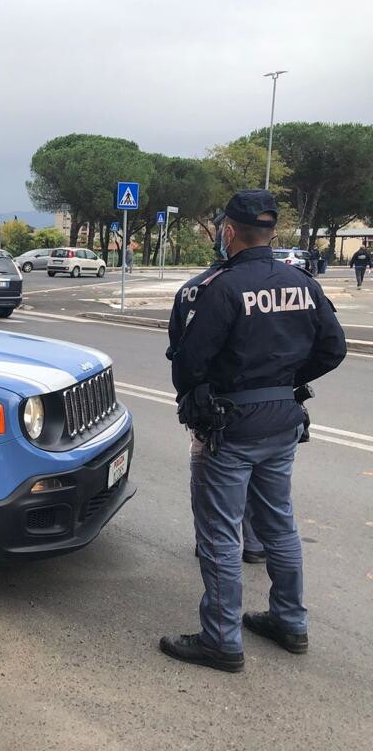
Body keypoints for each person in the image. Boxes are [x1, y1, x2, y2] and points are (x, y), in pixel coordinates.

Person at [162, 190, 347, 673]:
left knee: (221, 535)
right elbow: (333, 349)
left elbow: (189, 365)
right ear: (273, 231)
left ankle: (221, 640)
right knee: (279, 524)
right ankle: (290, 622)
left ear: (228, 230)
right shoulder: (301, 281)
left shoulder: (221, 287)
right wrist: (283, 380)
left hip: (230, 429)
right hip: (282, 420)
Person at [169, 241, 267, 565]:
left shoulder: (189, 290)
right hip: (262, 402)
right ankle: (253, 543)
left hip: (210, 406)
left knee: (207, 478)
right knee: (255, 476)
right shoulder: (256, 289)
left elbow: (178, 352)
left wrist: (189, 397)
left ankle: (207, 539)